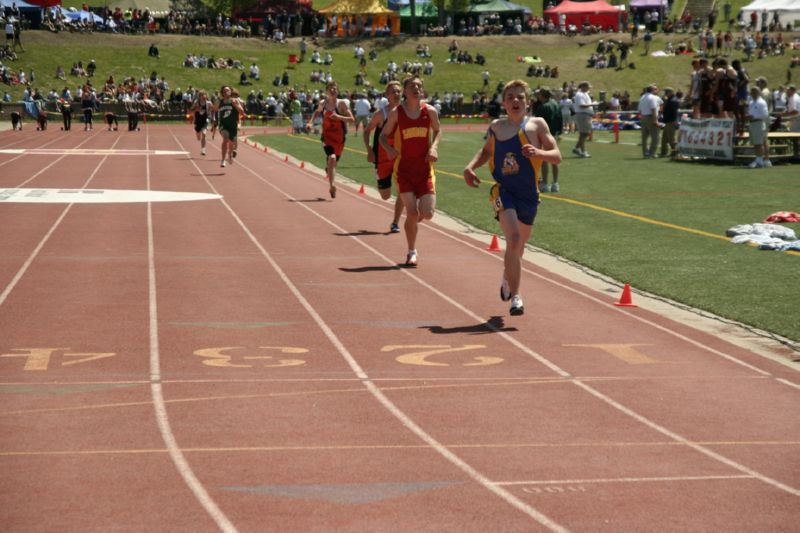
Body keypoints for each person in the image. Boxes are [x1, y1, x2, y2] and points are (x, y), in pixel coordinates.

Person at [463, 79, 561, 316]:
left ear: (527, 102)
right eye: (510, 98)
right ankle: (516, 297)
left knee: (519, 248)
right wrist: (470, 167)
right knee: (514, 239)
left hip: (529, 194)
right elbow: (487, 151)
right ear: (504, 103)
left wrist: (538, 152)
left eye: (520, 97)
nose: (515, 101)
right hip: (503, 191)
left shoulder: (537, 125)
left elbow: (557, 156)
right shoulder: (497, 127)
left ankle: (508, 277)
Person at [379, 75, 442, 267]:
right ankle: (411, 250)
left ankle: (413, 222)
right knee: (412, 213)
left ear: (422, 91)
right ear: (405, 91)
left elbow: (438, 131)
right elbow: (383, 136)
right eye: (412, 86)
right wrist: (389, 149)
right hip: (404, 170)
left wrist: (434, 147)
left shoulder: (429, 111)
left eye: (419, 86)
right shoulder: (397, 113)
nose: (416, 88)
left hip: (424, 170)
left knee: (428, 213)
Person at [363, 80, 405, 233]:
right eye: (393, 91)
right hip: (383, 159)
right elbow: (367, 131)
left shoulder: (406, 111)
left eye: (399, 91)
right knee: (385, 196)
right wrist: (369, 150)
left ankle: (395, 222)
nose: (396, 94)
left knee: (403, 190)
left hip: (400, 157)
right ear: (387, 95)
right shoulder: (381, 114)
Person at [307, 81, 354, 199]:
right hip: (327, 137)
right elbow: (317, 112)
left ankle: (329, 170)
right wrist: (310, 122)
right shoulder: (323, 103)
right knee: (332, 158)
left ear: (337, 91)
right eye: (330, 89)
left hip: (339, 139)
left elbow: (352, 120)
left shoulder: (342, 104)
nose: (333, 90)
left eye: (335, 89)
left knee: (333, 164)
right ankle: (332, 186)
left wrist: (339, 117)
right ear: (327, 91)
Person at [533, 87, 562, 192]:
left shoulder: (542, 107)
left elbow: (537, 124)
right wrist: (559, 132)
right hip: (554, 134)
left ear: (542, 95)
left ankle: (545, 183)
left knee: (544, 159)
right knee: (554, 159)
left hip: (544, 135)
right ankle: (555, 183)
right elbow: (560, 119)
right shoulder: (556, 104)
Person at [216, 85, 245, 167]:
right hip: (223, 125)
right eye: (224, 91)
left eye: (228, 90)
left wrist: (236, 105)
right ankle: (222, 160)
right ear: (222, 93)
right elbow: (214, 109)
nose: (226, 92)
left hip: (233, 126)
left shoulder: (235, 101)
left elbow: (242, 112)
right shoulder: (220, 102)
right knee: (225, 138)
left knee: (231, 144)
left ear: (231, 92)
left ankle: (230, 154)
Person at [746, 86, 770, 168]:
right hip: (752, 124)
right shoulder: (752, 102)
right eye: (752, 92)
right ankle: (760, 159)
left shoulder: (761, 102)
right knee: (756, 143)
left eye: (755, 92)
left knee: (759, 143)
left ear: (759, 92)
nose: (753, 94)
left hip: (758, 123)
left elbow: (765, 114)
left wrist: (753, 116)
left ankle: (759, 161)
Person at [637, 84, 663, 158]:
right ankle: (652, 153)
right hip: (651, 117)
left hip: (643, 117)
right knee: (656, 137)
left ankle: (645, 153)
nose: (657, 90)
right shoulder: (653, 98)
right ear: (652, 90)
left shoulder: (642, 97)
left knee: (644, 137)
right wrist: (655, 121)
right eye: (656, 89)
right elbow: (654, 109)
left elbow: (639, 110)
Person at [572, 81, 595, 157]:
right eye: (588, 87)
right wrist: (593, 104)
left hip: (586, 115)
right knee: (584, 133)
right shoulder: (579, 94)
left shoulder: (585, 94)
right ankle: (583, 151)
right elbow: (582, 105)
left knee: (585, 133)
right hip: (583, 115)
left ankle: (577, 149)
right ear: (583, 87)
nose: (589, 88)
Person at [659, 88, 681, 157]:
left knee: (671, 139)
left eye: (666, 92)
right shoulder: (669, 100)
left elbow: (675, 112)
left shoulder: (673, 100)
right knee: (664, 138)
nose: (665, 93)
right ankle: (664, 152)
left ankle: (675, 152)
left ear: (671, 92)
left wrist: (675, 121)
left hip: (671, 121)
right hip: (668, 121)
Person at [190, 90, 212, 155]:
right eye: (202, 95)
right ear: (199, 96)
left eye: (204, 95)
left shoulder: (209, 103)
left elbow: (213, 110)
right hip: (198, 120)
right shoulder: (196, 102)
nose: (203, 96)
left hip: (205, 120)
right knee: (198, 136)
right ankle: (197, 133)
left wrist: (211, 116)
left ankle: (203, 150)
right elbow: (191, 110)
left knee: (204, 134)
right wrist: (196, 109)